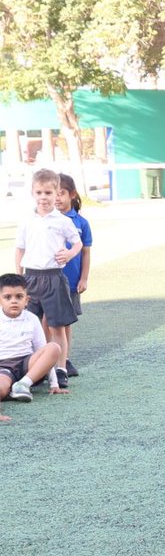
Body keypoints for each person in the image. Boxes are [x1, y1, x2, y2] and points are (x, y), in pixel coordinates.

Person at [14, 169, 81, 390]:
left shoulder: (62, 221)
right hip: (31, 278)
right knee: (28, 326)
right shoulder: (26, 221)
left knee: (57, 327)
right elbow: (20, 249)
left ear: (57, 193)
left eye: (48, 193)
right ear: (33, 193)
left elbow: (77, 243)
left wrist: (69, 254)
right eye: (39, 192)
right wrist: (19, 278)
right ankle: (36, 370)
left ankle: (61, 369)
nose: (43, 197)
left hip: (54, 278)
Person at [0, 272, 64, 418]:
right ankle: (10, 389)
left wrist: (54, 384)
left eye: (19, 297)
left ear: (27, 300)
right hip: (4, 367)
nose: (14, 301)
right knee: (1, 389)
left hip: (28, 365)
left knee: (53, 348)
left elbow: (42, 349)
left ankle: (22, 385)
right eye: (8, 297)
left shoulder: (32, 318)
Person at [53, 174, 92, 378]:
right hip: (49, 279)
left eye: (61, 193)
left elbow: (85, 252)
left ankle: (65, 360)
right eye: (54, 193)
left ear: (72, 194)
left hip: (71, 281)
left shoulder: (81, 223)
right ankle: (48, 361)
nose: (57, 198)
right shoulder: (47, 220)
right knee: (47, 321)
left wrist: (84, 278)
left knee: (66, 322)